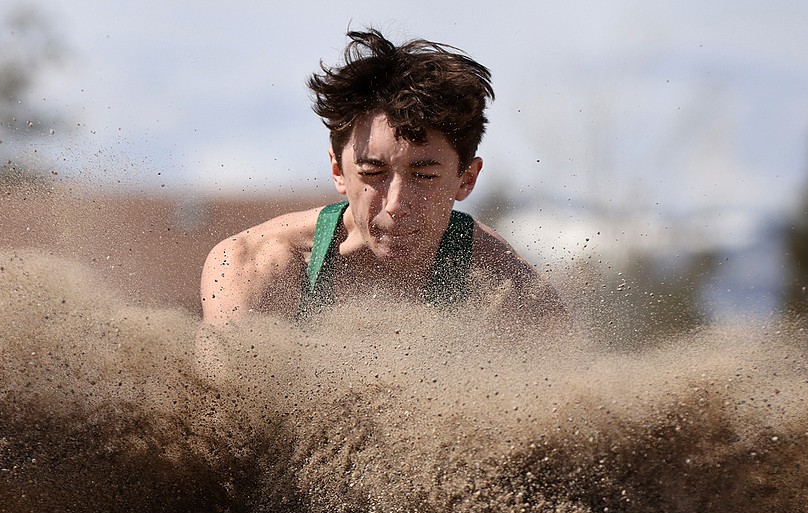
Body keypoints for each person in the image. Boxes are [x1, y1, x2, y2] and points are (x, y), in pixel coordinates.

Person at [201, 29, 563, 328]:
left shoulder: (510, 293)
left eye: (423, 176)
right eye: (373, 174)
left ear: (466, 179)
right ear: (338, 171)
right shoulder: (252, 266)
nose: (395, 204)